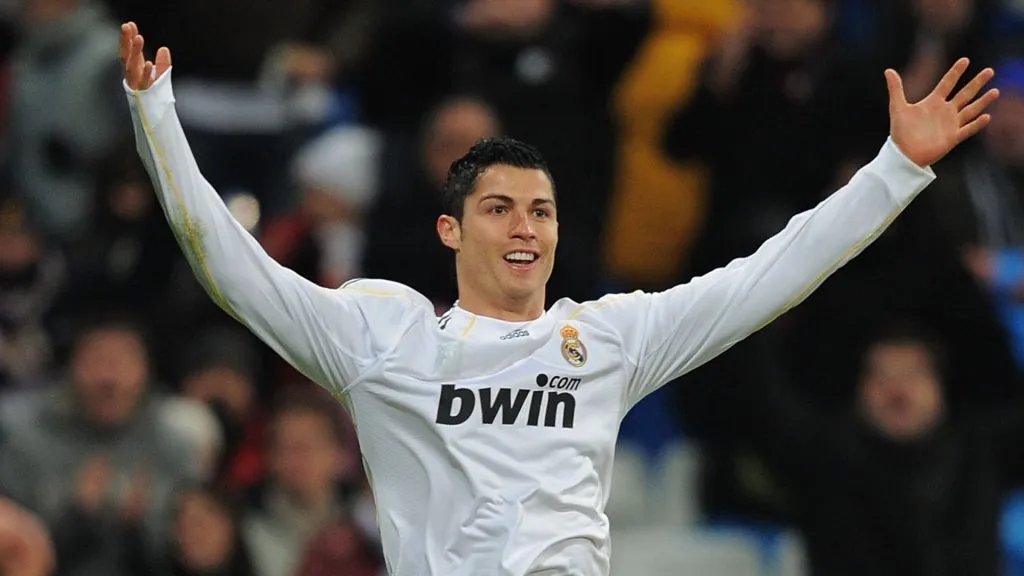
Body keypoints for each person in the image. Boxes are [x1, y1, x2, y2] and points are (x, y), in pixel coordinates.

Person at [118, 20, 999, 576]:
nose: (523, 227)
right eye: (497, 208)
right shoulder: (379, 336)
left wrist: (895, 169)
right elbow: (236, 272)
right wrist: (155, 113)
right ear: (451, 231)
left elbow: (767, 274)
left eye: (540, 210)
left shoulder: (609, 338)